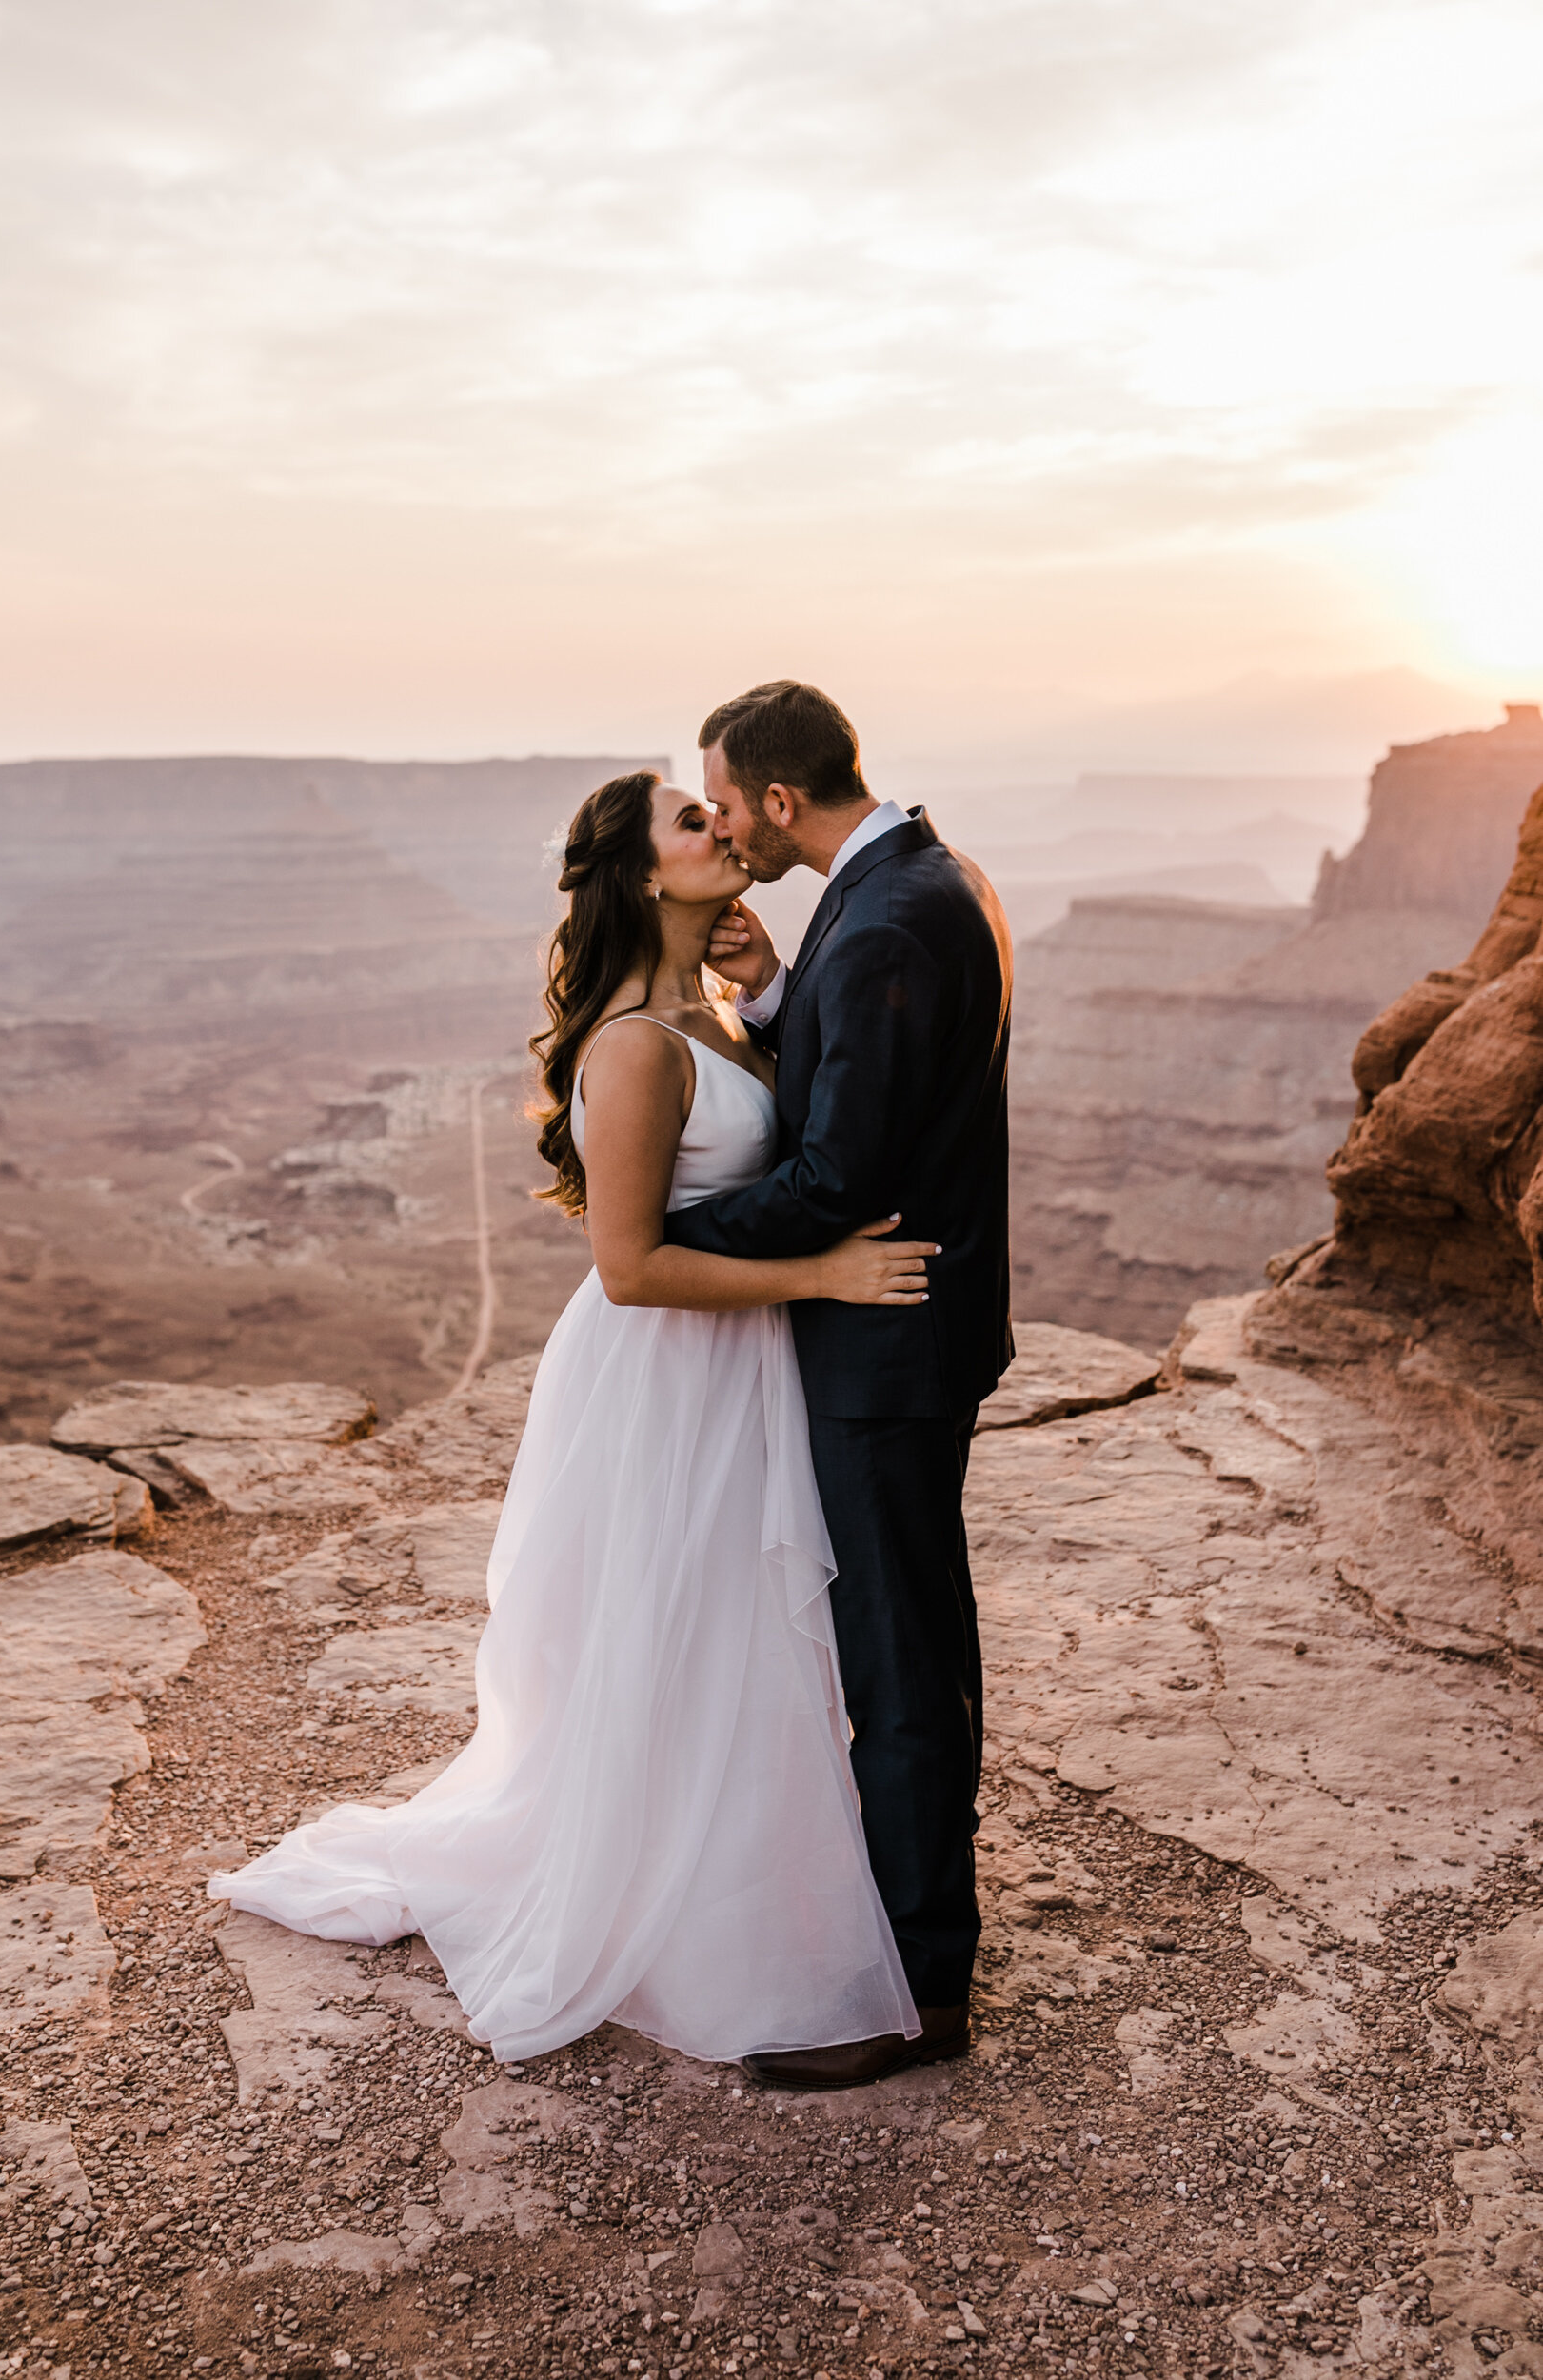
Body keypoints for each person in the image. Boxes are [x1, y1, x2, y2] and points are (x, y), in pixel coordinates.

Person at [209, 767, 939, 2066]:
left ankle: (736, 1870)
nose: (724, 830)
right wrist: (819, 1276)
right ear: (644, 873)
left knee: (734, 1637)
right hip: (665, 1370)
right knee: (681, 1628)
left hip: (731, 1367)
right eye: (693, 820)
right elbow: (631, 1267)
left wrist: (766, 988)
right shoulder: (632, 1046)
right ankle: (682, 1900)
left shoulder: (708, 1013)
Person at [673, 680, 1014, 2090]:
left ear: (775, 800)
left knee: (900, 1659)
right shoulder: (922, 878)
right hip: (920, 1334)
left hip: (888, 1350)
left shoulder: (881, 913)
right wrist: (770, 996)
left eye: (724, 802)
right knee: (911, 1632)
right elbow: (867, 1076)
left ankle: (917, 1989)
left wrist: (658, 1240)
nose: (722, 830)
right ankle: (905, 1928)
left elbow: (836, 1175)